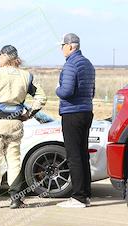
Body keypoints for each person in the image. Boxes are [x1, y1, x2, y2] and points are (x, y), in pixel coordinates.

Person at [0, 45, 47, 209]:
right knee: (14, 162)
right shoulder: (26, 76)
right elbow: (41, 97)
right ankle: (16, 199)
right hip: (16, 123)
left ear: (4, 57)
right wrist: (29, 114)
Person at [55, 33, 95, 208]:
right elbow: (92, 91)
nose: (61, 48)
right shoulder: (88, 63)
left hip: (72, 114)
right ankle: (86, 193)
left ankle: (78, 197)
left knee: (73, 156)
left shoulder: (71, 65)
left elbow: (66, 91)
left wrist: (57, 89)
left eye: (62, 45)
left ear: (70, 46)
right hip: (86, 111)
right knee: (82, 153)